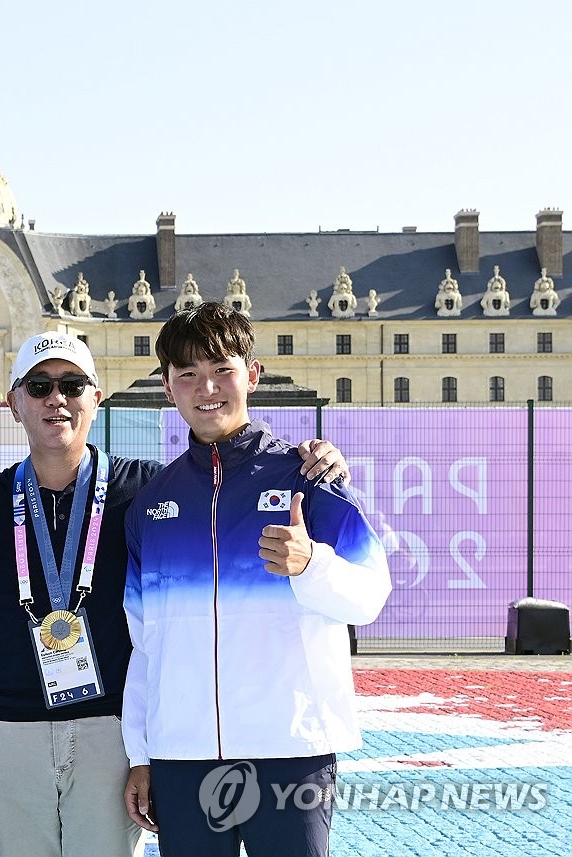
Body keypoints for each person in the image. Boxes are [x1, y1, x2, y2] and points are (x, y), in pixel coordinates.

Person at [0, 332, 352, 857]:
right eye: (39, 386)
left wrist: (315, 461)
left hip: (110, 730)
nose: (56, 398)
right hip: (11, 728)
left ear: (95, 398)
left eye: (72, 384)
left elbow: (223, 485)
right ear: (14, 403)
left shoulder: (145, 491)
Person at [122, 302, 391, 857]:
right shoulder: (151, 504)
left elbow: (369, 595)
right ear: (168, 388)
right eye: (187, 375)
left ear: (253, 373)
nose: (207, 388)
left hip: (290, 748)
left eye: (222, 368)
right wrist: (141, 753)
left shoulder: (310, 476)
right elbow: (143, 644)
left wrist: (310, 563)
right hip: (184, 753)